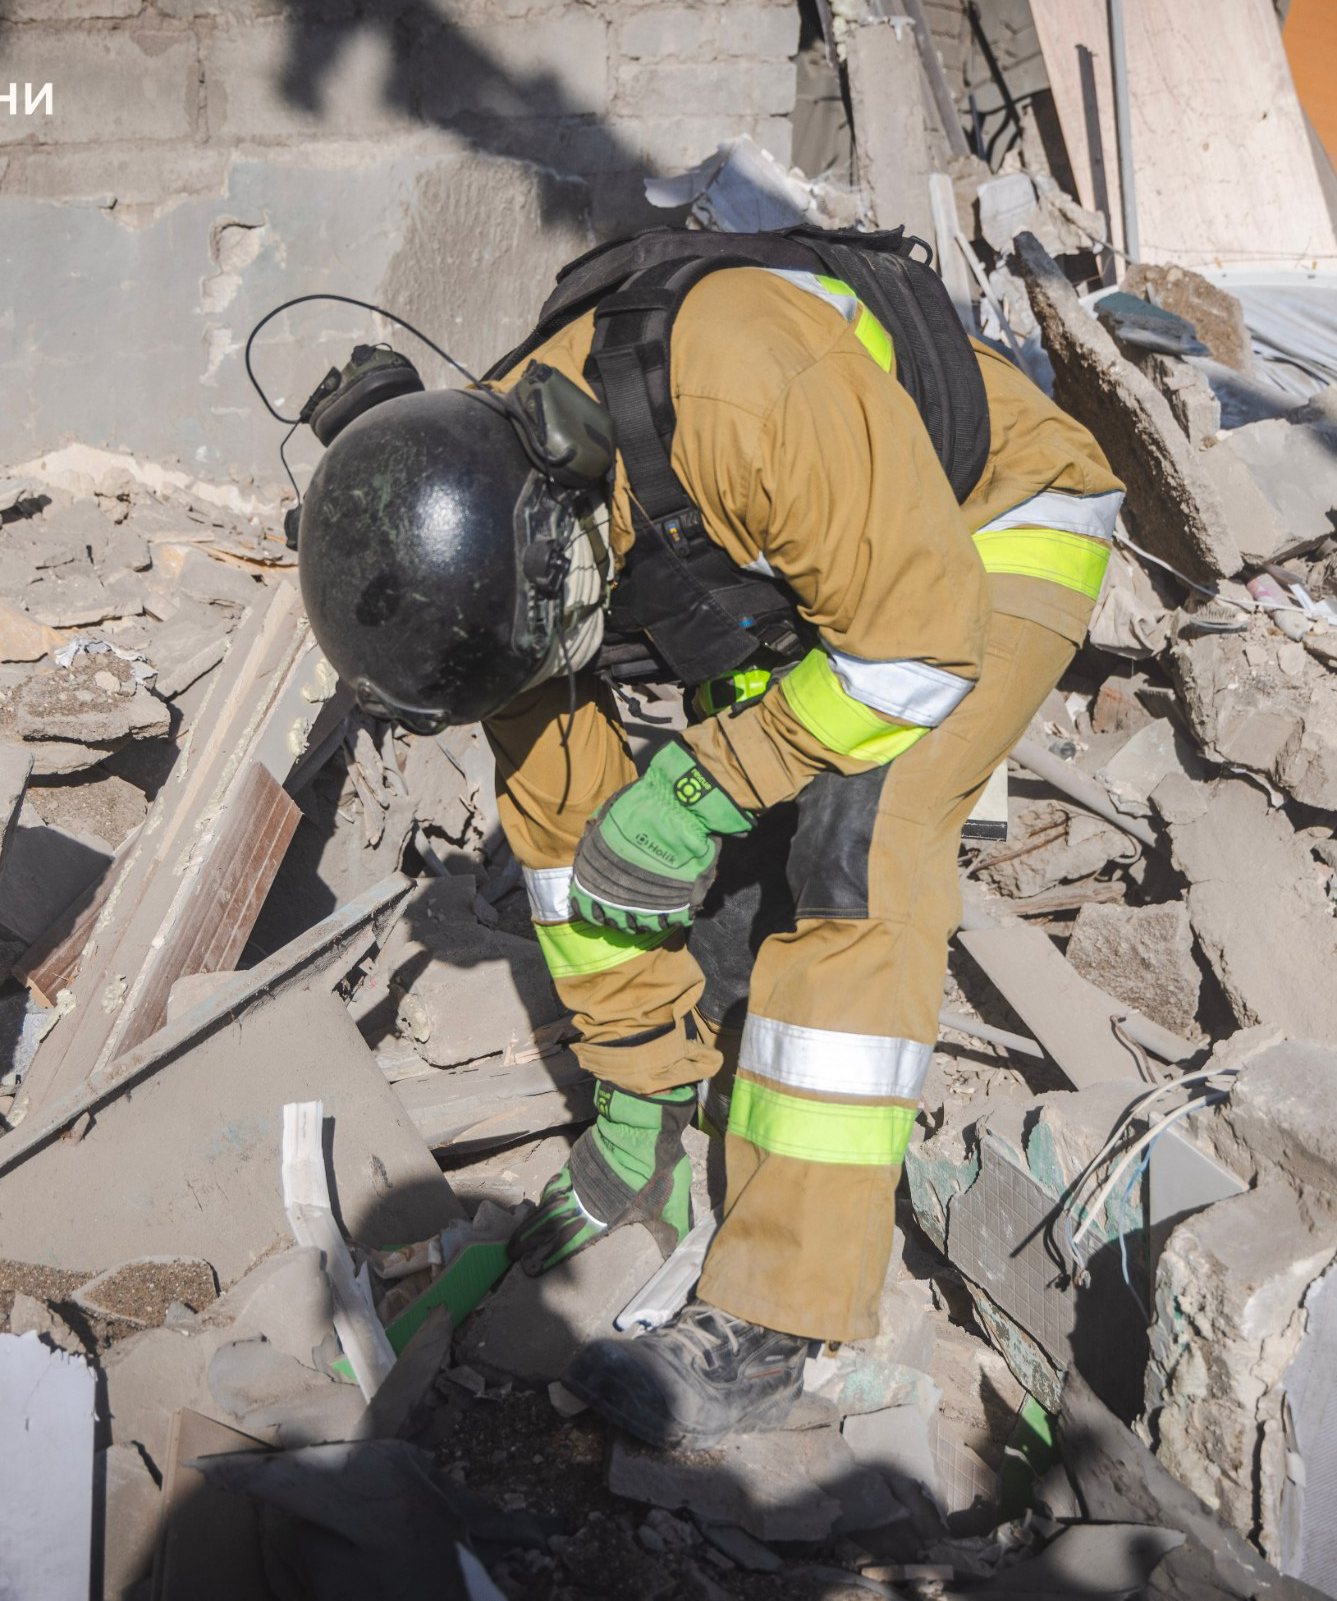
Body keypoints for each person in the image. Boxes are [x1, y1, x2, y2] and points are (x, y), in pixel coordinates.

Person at [297, 241, 1119, 1451]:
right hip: (799, 572)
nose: (558, 668)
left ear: (561, 503)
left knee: (860, 840)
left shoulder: (739, 384)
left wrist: (702, 787)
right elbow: (563, 844)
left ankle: (775, 1320)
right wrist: (633, 1093)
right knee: (721, 893)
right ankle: (693, 1111)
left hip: (986, 531)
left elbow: (914, 643)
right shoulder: (490, 553)